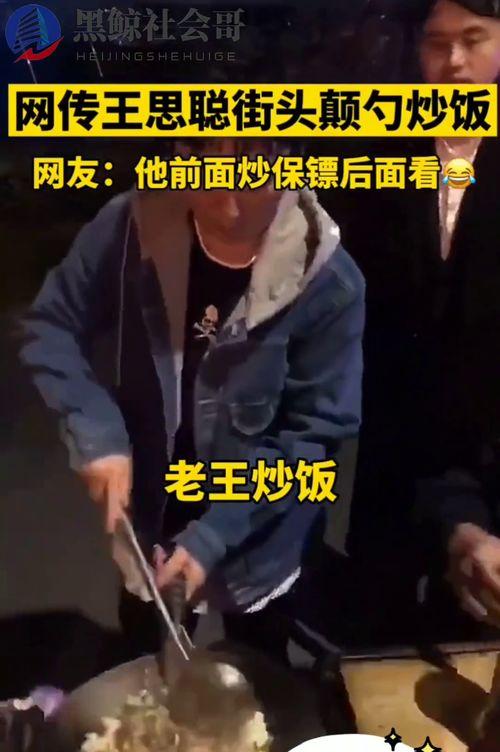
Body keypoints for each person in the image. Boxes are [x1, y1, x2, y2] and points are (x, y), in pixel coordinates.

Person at [20, 138, 365, 664]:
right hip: (152, 515)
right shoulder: (130, 226)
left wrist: (212, 537)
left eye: (251, 157)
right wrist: (96, 431)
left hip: (259, 534)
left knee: (258, 667)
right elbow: (52, 324)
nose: (224, 182)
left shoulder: (330, 282)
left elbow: (311, 438)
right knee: (146, 661)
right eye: (204, 153)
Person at [316, 0, 500, 646]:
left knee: (474, 644)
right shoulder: (377, 151)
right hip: (394, 442)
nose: (455, 62)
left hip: (491, 447)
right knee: (380, 637)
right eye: (437, 44)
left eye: (473, 40)